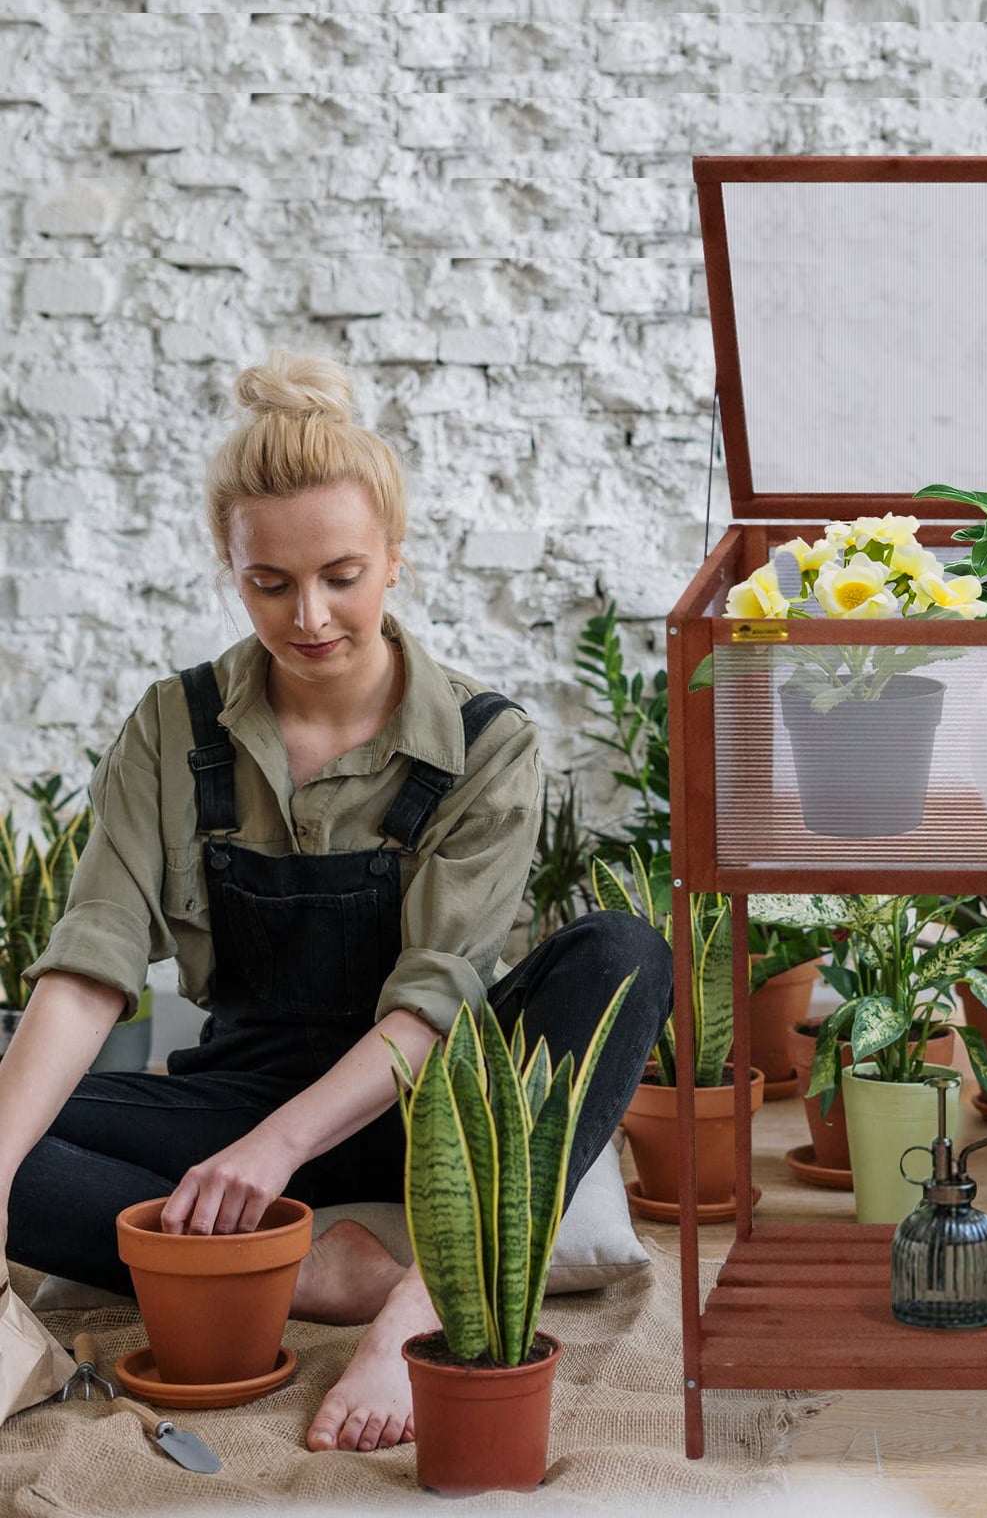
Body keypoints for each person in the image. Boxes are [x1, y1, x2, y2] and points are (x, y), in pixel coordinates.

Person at [0, 350, 674, 1453]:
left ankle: (422, 1307)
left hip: (436, 1109)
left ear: (396, 560)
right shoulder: (173, 730)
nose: (309, 615)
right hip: (240, 1091)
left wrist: (269, 1154)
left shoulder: (484, 744)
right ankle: (315, 1269)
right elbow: (89, 969)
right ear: (230, 566)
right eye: (270, 583)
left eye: (342, 575)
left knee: (625, 948)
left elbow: (431, 1005)